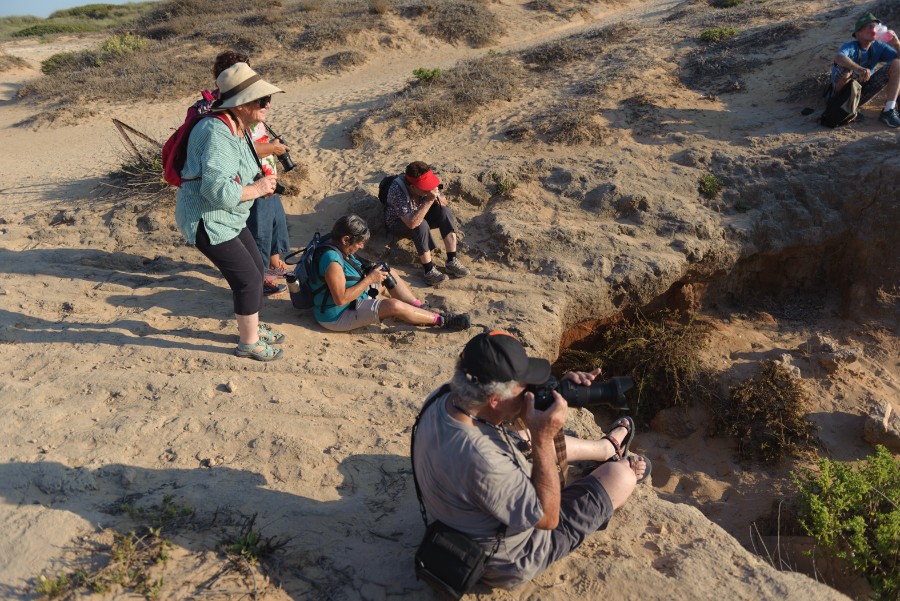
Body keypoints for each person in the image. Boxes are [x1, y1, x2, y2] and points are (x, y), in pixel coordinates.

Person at [412, 331, 650, 589]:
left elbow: (497, 418)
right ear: (495, 399)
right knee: (620, 476)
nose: (529, 393)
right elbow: (548, 519)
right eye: (524, 388)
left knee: (525, 433)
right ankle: (615, 460)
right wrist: (543, 438)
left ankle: (605, 449)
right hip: (509, 558)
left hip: (461, 513)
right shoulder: (484, 460)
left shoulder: (445, 397)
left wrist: (557, 390)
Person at [174, 62, 285, 361]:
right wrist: (259, 189)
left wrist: (260, 179)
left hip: (229, 217)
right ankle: (248, 343)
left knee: (258, 270)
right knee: (248, 279)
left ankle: (254, 326)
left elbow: (239, 168)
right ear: (241, 103)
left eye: (268, 98)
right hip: (207, 220)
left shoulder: (238, 126)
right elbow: (218, 191)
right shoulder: (216, 132)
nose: (268, 105)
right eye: (261, 100)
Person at [206, 51, 292, 296]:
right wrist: (273, 148)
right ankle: (261, 276)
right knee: (259, 230)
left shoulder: (243, 104)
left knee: (274, 222)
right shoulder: (226, 111)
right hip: (250, 179)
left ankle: (272, 265)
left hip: (263, 174)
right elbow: (240, 147)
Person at [313, 214, 470, 332]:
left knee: (387, 272)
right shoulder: (331, 260)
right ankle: (441, 320)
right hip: (337, 315)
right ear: (346, 239)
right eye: (359, 243)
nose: (361, 247)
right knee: (393, 305)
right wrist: (368, 280)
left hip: (352, 299)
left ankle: (419, 307)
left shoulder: (336, 244)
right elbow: (340, 299)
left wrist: (373, 274)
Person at [383, 161, 470, 285]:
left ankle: (452, 260)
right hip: (398, 223)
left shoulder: (428, 184)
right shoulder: (396, 191)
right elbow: (412, 223)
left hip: (419, 214)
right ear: (412, 187)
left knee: (444, 211)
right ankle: (429, 271)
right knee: (420, 224)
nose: (429, 189)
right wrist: (429, 200)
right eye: (425, 187)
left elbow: (444, 202)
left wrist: (437, 197)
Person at [830, 12, 900, 128]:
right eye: (870, 26)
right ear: (858, 33)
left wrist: (897, 43)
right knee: (844, 68)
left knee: (897, 64)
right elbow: (838, 57)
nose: (875, 29)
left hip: (863, 91)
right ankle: (847, 109)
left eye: (877, 26)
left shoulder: (879, 46)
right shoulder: (851, 46)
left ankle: (889, 110)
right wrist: (858, 69)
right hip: (843, 95)